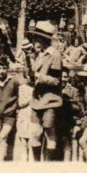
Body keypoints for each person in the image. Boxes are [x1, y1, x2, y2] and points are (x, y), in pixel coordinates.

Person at [29, 21, 63, 161]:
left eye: (36, 38)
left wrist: (37, 76)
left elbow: (56, 80)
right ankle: (37, 163)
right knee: (35, 132)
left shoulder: (55, 54)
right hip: (37, 100)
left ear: (43, 39)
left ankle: (48, 164)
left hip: (50, 100)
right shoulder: (39, 54)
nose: (34, 40)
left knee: (50, 133)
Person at [15, 75, 35, 162]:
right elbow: (21, 103)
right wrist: (32, 96)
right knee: (23, 140)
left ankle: (32, 161)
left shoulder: (39, 86)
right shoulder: (22, 88)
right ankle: (23, 161)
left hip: (34, 114)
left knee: (33, 140)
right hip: (25, 114)